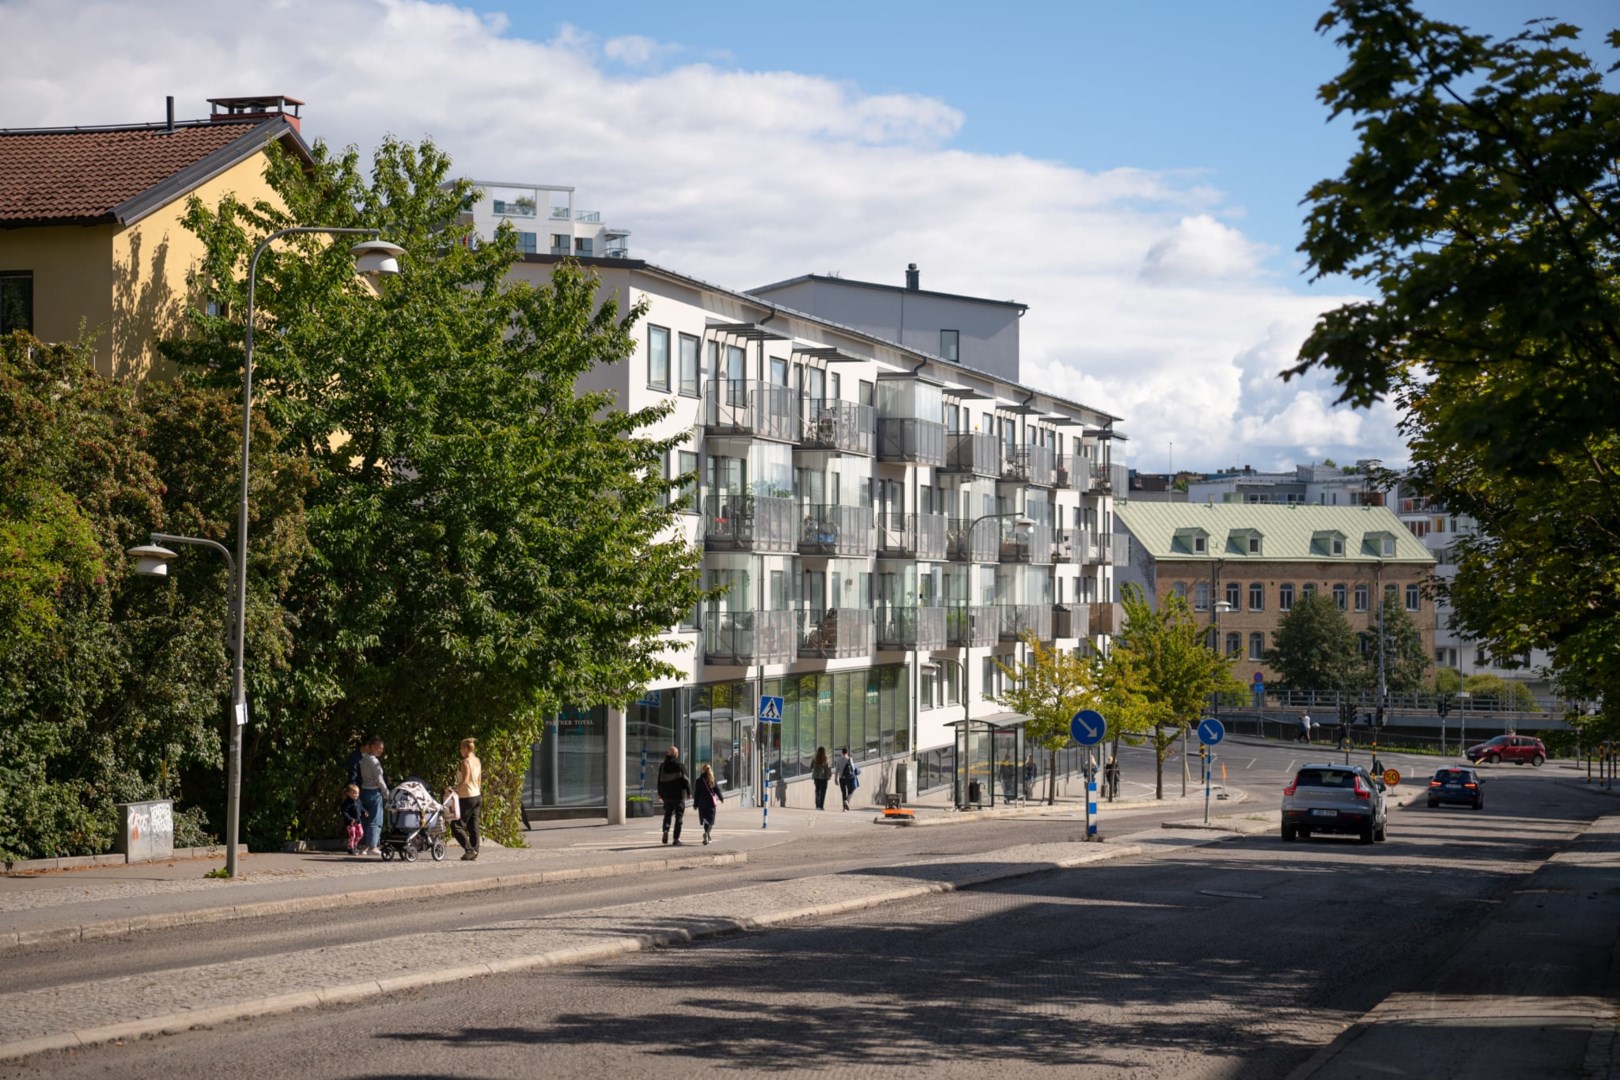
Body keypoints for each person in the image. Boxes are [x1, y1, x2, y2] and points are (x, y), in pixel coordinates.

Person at [451, 737, 482, 861]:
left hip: (467, 796)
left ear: (465, 749)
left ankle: (469, 850)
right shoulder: (477, 760)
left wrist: (453, 789)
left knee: (456, 825)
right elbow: (479, 779)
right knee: (473, 825)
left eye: (461, 748)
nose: (460, 751)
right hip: (477, 795)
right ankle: (475, 850)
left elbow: (465, 781)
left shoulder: (465, 762)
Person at [357, 736, 388, 855]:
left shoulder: (363, 759)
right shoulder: (374, 761)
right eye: (378, 748)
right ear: (371, 747)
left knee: (365, 819)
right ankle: (373, 846)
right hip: (374, 792)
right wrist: (386, 793)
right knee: (375, 819)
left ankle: (363, 846)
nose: (380, 750)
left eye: (382, 748)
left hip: (364, 791)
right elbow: (379, 780)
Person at [657, 745, 691, 845]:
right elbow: (686, 781)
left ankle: (666, 831)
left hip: (667, 796)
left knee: (667, 815)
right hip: (678, 796)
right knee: (678, 818)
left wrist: (660, 794)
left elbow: (659, 781)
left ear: (668, 754)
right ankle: (676, 838)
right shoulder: (680, 765)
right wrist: (689, 792)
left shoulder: (662, 766)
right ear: (676, 754)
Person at [693, 763, 725, 845]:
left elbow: (697, 793)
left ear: (702, 770)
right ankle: (707, 834)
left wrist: (695, 804)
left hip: (702, 803)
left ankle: (707, 835)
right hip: (711, 803)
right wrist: (721, 798)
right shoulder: (712, 779)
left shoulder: (699, 781)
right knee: (710, 820)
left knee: (705, 820)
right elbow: (717, 790)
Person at [338, 784, 364, 855]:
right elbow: (344, 812)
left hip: (358, 821)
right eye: (354, 793)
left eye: (358, 793)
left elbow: (361, 808)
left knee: (360, 833)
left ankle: (355, 844)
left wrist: (365, 812)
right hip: (350, 823)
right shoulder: (346, 803)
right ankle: (350, 848)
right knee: (352, 835)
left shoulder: (358, 801)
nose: (356, 795)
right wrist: (350, 819)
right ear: (348, 793)